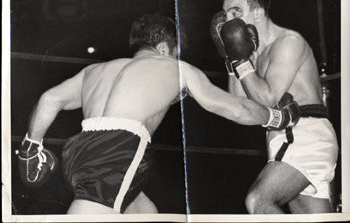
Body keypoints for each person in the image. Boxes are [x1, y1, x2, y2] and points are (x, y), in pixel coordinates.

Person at [16, 13, 299, 215]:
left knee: (144, 212)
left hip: (79, 151)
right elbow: (233, 107)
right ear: (165, 49)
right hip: (116, 151)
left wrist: (32, 146)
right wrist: (277, 118)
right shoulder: (175, 68)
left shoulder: (97, 71)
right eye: (176, 52)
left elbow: (50, 99)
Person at [211, 0, 339, 214]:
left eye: (236, 12)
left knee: (258, 201)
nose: (228, 21)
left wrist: (242, 62)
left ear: (258, 12)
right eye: (226, 14)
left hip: (304, 135)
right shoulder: (253, 53)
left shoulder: (288, 42)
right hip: (283, 138)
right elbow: (240, 103)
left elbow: (268, 99)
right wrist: (232, 58)